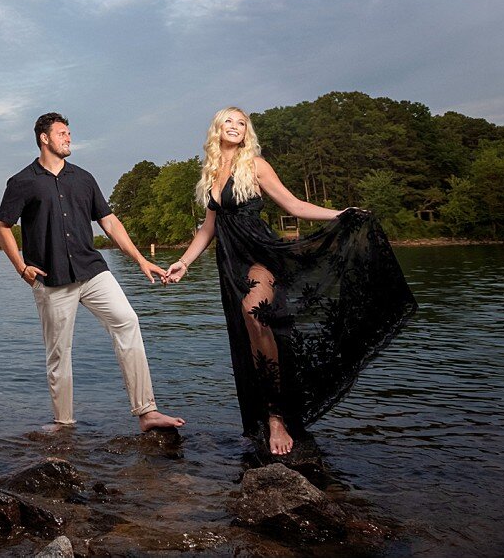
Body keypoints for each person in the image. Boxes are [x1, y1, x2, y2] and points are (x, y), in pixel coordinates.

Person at [166, 107, 416, 456]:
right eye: (229, 121)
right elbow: (208, 229)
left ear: (246, 132)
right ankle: (267, 411)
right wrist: (182, 263)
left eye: (242, 123)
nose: (236, 126)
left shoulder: (255, 165)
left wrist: (341, 214)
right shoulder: (211, 174)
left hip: (260, 256)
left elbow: (293, 205)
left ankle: (276, 417)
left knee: (256, 313)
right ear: (217, 129)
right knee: (250, 337)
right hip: (229, 264)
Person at [0, 112, 185, 432]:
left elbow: (109, 222)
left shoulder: (84, 178)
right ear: (44, 138)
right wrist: (21, 267)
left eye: (69, 133)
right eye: (62, 133)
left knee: (127, 321)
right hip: (51, 276)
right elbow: (2, 227)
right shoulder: (22, 182)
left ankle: (147, 412)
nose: (69, 138)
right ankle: (64, 424)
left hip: (92, 269)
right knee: (59, 353)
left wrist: (139, 259)